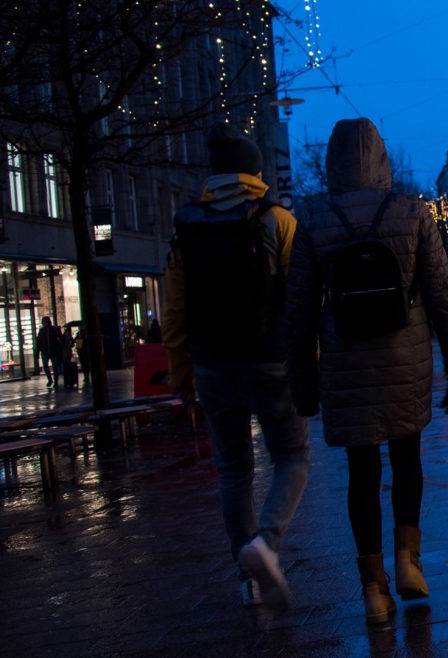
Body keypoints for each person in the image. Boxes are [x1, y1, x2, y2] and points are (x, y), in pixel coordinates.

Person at [286, 118, 448, 626]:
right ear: (385, 160)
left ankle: (373, 589)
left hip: (345, 366)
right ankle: (409, 560)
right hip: (404, 358)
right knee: (407, 458)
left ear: (330, 163)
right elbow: (444, 300)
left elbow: (298, 315)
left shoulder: (313, 220)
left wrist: (304, 391)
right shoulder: (412, 213)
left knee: (362, 475)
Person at [163, 122, 311, 610]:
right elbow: (299, 301)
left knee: (233, 472)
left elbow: (175, 312)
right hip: (269, 361)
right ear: (254, 171)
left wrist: (183, 374)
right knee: (292, 457)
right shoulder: (277, 221)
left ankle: (245, 580)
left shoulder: (186, 225)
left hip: (211, 365)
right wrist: (308, 363)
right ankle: (264, 544)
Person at [35, 316, 63, 387]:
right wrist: (38, 351)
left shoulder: (53, 330)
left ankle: (54, 381)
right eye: (43, 322)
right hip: (46, 352)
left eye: (45, 322)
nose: (44, 324)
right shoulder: (42, 331)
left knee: (54, 367)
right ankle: (50, 380)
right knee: (46, 366)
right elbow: (39, 342)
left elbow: (59, 340)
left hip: (52, 351)